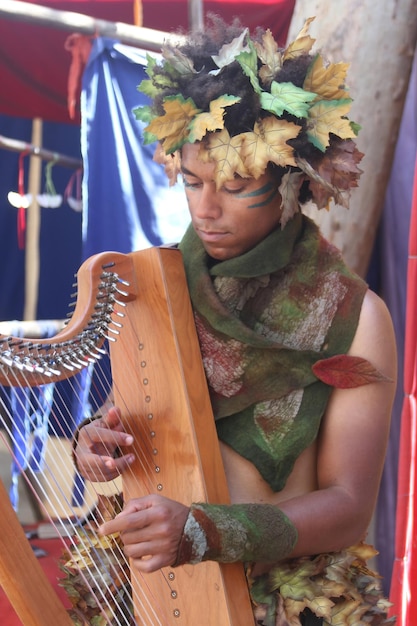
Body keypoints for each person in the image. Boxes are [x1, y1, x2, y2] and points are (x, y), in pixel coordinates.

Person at [72, 15, 397, 625]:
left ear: (291, 180)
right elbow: (134, 426)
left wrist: (204, 531)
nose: (206, 208)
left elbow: (350, 506)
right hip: (156, 592)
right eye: (192, 182)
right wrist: (99, 445)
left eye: (235, 183)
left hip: (284, 599)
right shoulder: (158, 293)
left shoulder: (354, 316)